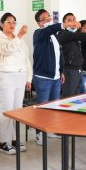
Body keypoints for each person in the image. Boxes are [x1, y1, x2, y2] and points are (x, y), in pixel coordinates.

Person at [0, 12, 32, 154]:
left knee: (17, 109)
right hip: (6, 77)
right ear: (2, 24)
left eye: (14, 22)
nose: (12, 25)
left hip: (20, 76)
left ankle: (15, 139)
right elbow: (7, 51)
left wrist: (29, 78)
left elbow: (26, 59)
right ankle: (4, 142)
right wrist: (19, 36)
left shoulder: (19, 40)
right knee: (7, 109)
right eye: (8, 22)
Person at [32, 9, 70, 145]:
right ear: (39, 23)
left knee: (54, 106)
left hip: (55, 77)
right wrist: (64, 24)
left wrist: (61, 71)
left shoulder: (54, 35)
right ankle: (39, 134)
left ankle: (51, 130)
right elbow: (50, 29)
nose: (48, 19)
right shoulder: (39, 33)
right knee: (42, 107)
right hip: (43, 77)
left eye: (49, 17)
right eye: (45, 18)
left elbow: (58, 55)